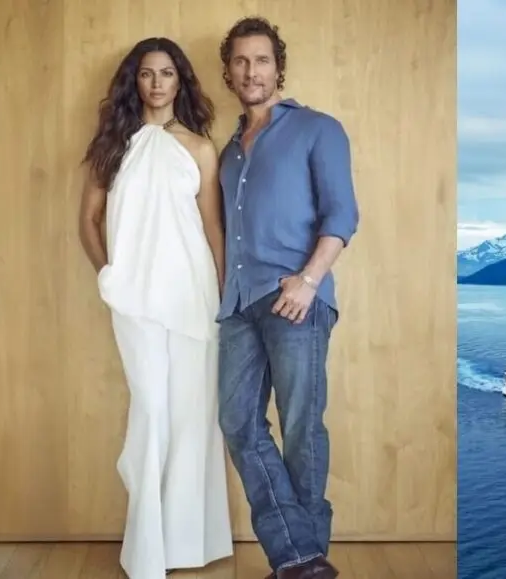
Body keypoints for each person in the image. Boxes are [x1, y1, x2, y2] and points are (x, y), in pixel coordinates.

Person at [77, 37, 235, 579]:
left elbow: (213, 228)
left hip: (194, 296)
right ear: (135, 81)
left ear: (180, 81)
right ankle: (145, 549)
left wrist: (224, 295)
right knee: (151, 408)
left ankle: (188, 543)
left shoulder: (200, 148)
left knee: (192, 415)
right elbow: (88, 220)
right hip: (135, 297)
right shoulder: (113, 145)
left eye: (167, 73)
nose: (157, 83)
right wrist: (108, 274)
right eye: (147, 73)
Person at [214, 16, 359, 579]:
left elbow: (342, 214)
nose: (252, 71)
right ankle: (302, 556)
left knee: (301, 426)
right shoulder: (227, 152)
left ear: (279, 68)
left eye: (262, 60)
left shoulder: (318, 129)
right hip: (237, 304)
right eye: (241, 61)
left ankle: (300, 560)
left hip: (295, 298)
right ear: (228, 71)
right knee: (238, 424)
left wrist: (309, 280)